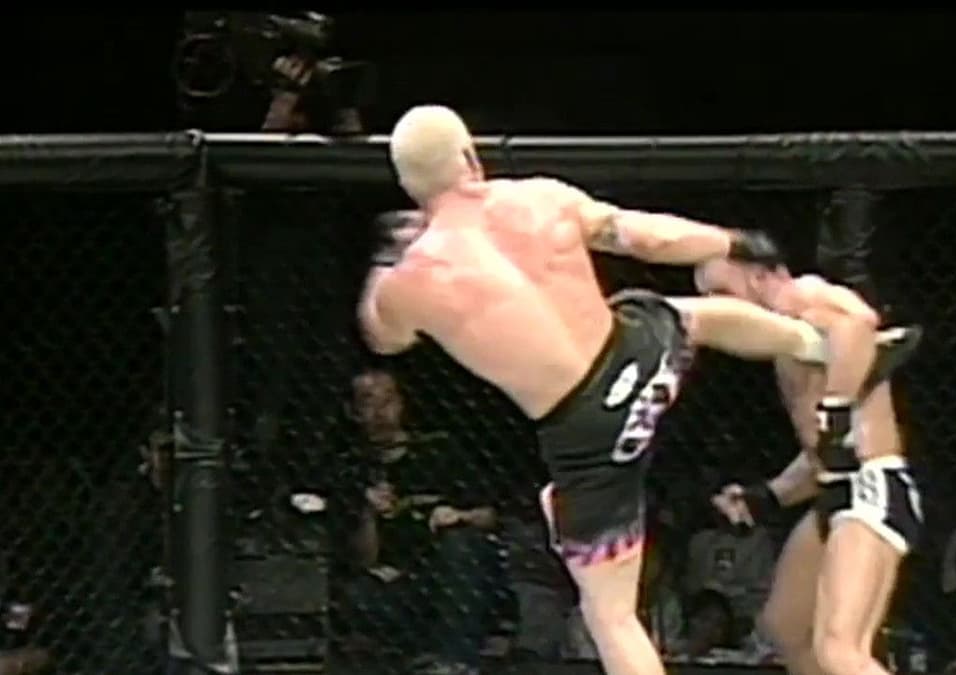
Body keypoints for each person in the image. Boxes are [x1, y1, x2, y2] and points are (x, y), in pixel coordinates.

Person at [358, 104, 886, 675]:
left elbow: (383, 338)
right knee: (679, 315)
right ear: (469, 156)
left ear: (410, 187)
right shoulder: (540, 197)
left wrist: (385, 262)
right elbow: (645, 237)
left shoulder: (413, 279)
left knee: (610, 614)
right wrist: (728, 241)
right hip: (637, 356)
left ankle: (813, 345)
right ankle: (812, 343)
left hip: (586, 429)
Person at [703, 258, 922, 675]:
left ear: (758, 277)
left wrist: (835, 412)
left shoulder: (799, 296)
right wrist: (768, 495)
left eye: (721, 291)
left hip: (869, 487)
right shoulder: (786, 340)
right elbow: (822, 455)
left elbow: (858, 323)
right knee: (785, 628)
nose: (717, 305)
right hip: (836, 492)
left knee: (840, 649)